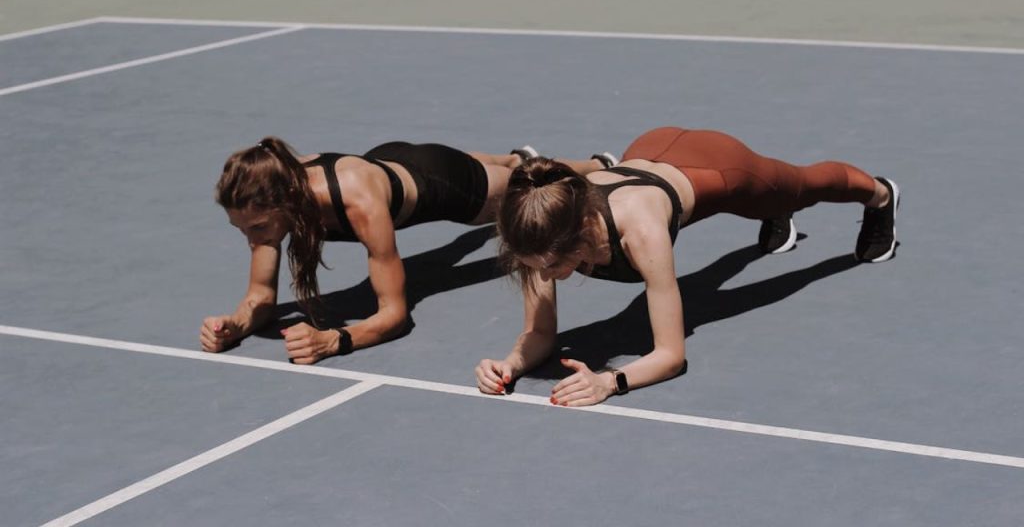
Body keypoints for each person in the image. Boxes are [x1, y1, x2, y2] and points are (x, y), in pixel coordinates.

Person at [475, 126, 899, 406]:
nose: (542, 277)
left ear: (580, 236)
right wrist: (509, 364)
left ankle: (880, 195)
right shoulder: (535, 232)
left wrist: (609, 381)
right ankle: (769, 213)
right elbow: (541, 333)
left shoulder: (640, 232)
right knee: (739, 246)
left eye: (550, 267)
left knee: (801, 188)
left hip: (715, 165)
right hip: (648, 149)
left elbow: (671, 355)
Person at [202, 137, 613, 364]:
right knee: (489, 165)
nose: (253, 237)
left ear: (288, 200)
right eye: (241, 229)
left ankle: (596, 166)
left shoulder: (356, 201)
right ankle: (512, 154)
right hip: (390, 159)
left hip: (441, 184)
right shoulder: (270, 207)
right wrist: (236, 324)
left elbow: (394, 315)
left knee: (523, 186)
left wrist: (334, 340)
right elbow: (259, 297)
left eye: (256, 227)